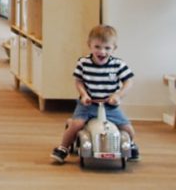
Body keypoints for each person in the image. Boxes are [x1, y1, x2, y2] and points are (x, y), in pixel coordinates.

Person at [51, 25, 139, 164]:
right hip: (88, 104)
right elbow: (78, 81)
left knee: (127, 127)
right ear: (89, 45)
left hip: (110, 106)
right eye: (97, 47)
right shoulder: (83, 63)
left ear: (114, 48)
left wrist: (118, 95)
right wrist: (84, 95)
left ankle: (132, 144)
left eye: (107, 48)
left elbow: (129, 81)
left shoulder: (118, 64)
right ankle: (63, 148)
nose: (102, 52)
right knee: (76, 125)